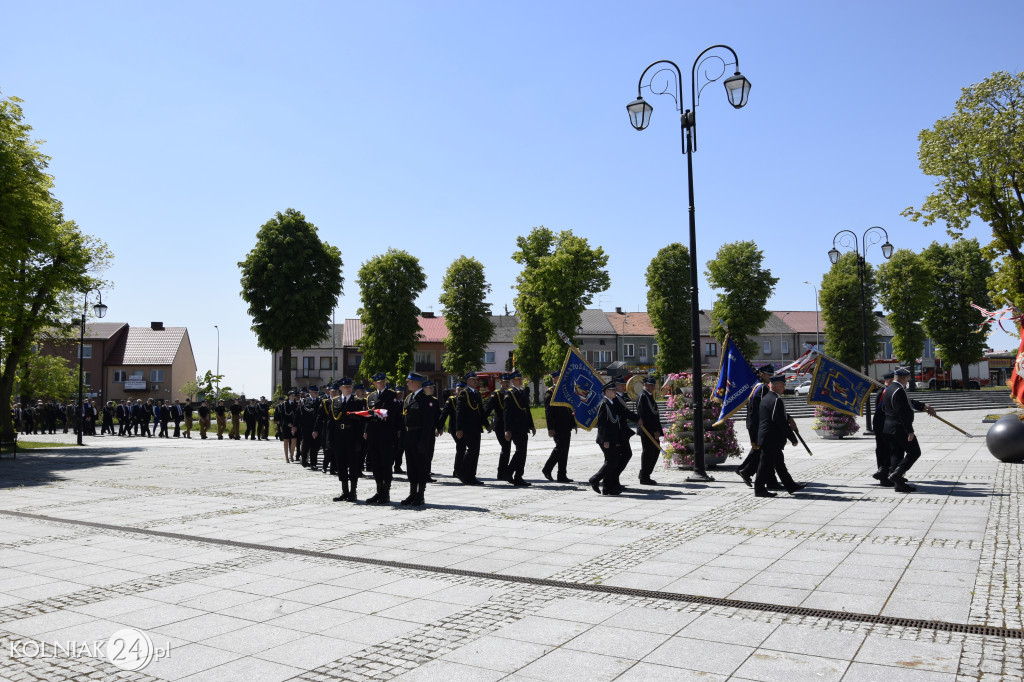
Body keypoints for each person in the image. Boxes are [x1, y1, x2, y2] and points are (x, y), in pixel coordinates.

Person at [883, 367, 935, 493]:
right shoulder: (899, 390)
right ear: (903, 378)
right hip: (899, 427)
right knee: (915, 452)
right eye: (907, 379)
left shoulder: (889, 388)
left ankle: (898, 483)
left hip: (889, 427)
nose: (908, 381)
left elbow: (907, 403)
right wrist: (909, 431)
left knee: (897, 453)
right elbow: (903, 412)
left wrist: (923, 406)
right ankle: (897, 475)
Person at [754, 375, 806, 498]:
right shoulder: (776, 400)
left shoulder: (767, 398)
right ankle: (759, 489)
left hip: (769, 438)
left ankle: (790, 485)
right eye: (783, 385)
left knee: (779, 464)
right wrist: (792, 438)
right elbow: (780, 421)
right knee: (765, 464)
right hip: (771, 438)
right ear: (776, 385)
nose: (784, 387)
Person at [314, 380, 364, 502]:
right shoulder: (334, 401)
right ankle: (344, 491)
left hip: (351, 436)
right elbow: (331, 422)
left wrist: (359, 440)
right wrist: (329, 440)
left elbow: (360, 423)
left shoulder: (357, 401)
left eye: (350, 386)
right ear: (340, 388)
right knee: (340, 464)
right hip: (338, 436)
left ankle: (353, 492)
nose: (348, 389)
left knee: (353, 464)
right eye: (345, 387)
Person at [736, 365, 781, 488]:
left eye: (772, 375)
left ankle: (771, 481)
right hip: (758, 424)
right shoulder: (762, 389)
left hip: (756, 424)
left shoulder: (758, 387)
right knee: (763, 451)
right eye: (768, 375)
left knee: (764, 452)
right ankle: (746, 471)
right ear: (761, 374)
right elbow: (762, 409)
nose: (771, 377)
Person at [363, 372, 401, 504]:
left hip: (386, 433)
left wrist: (378, 413)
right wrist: (366, 430)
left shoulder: (391, 395)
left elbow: (391, 413)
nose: (381, 383)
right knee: (376, 464)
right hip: (373, 433)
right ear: (374, 383)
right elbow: (368, 415)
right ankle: (379, 491)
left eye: (383, 381)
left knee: (386, 464)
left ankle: (386, 493)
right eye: (378, 382)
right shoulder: (371, 396)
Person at [401, 373, 436, 505]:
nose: (407, 384)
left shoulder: (425, 399)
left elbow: (427, 424)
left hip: (419, 437)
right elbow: (405, 420)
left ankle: (420, 495)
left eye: (409, 382)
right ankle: (412, 493)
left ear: (415, 383)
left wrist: (423, 441)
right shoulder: (409, 398)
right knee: (411, 467)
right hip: (409, 437)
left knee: (420, 467)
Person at [590, 380, 627, 495]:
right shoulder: (604, 405)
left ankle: (607, 488)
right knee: (613, 461)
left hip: (612, 439)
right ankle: (595, 479)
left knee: (613, 461)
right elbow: (602, 425)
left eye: (615, 390)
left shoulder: (611, 404)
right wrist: (605, 440)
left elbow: (614, 423)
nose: (615, 392)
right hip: (605, 439)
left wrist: (616, 440)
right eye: (613, 390)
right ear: (607, 391)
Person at [503, 370, 536, 486]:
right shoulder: (510, 393)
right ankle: (509, 471)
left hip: (523, 427)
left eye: (521, 379)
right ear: (513, 381)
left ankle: (518, 476)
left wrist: (532, 425)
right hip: (515, 427)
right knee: (520, 451)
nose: (520, 381)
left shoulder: (521, 392)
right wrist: (507, 429)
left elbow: (527, 410)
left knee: (523, 452)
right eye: (518, 379)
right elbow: (506, 413)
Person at [542, 371, 576, 482]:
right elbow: (548, 411)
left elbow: (569, 408)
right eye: (559, 378)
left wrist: (573, 423)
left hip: (566, 425)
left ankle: (561, 475)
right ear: (555, 379)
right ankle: (547, 469)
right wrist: (550, 428)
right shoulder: (550, 392)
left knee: (565, 450)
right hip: (557, 426)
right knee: (560, 448)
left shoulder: (564, 391)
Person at [456, 372, 489, 485]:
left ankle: (471, 475)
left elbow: (481, 411)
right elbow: (459, 412)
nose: (476, 381)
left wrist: (487, 424)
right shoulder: (464, 393)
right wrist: (459, 428)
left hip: (476, 427)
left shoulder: (476, 393)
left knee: (475, 452)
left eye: (476, 380)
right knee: (471, 451)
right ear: (468, 381)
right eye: (474, 380)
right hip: (467, 428)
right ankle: (463, 473)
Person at [634, 376, 663, 485]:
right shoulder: (643, 396)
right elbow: (644, 417)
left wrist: (658, 430)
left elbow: (655, 415)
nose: (652, 387)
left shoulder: (649, 396)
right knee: (648, 452)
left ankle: (645, 474)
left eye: (653, 385)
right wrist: (654, 431)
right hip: (647, 430)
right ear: (645, 385)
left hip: (653, 430)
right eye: (650, 385)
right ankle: (644, 476)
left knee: (654, 451)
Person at [870, 372, 896, 486]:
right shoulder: (887, 392)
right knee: (890, 449)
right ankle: (884, 473)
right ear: (889, 381)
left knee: (882, 449)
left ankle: (883, 474)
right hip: (885, 424)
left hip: (879, 424)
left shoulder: (881, 391)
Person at [486, 373, 512, 480]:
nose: (506, 384)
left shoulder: (511, 393)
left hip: (510, 425)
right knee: (505, 447)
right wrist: (485, 424)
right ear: (500, 382)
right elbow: (487, 409)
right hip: (500, 425)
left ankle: (504, 471)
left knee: (507, 448)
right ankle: (501, 472)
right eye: (504, 382)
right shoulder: (496, 394)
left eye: (507, 382)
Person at [436, 382, 464, 477]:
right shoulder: (452, 400)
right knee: (461, 447)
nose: (460, 392)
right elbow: (444, 414)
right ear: (455, 391)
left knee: (462, 448)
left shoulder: (467, 399)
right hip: (454, 428)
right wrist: (439, 426)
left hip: (465, 428)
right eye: (458, 390)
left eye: (462, 390)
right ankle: (457, 470)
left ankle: (461, 469)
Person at [298, 386, 323, 469]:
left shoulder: (320, 401)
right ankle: (304, 461)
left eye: (317, 392)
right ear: (310, 392)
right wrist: (295, 425)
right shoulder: (305, 401)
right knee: (306, 445)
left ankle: (313, 463)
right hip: (306, 427)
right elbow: (298, 414)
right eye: (314, 392)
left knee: (315, 446)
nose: (316, 394)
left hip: (317, 427)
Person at [278, 391, 300, 461]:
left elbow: (298, 415)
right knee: (286, 440)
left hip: (294, 425)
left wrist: (295, 424)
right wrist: (286, 423)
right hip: (286, 425)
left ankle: (291, 455)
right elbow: (282, 416)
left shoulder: (297, 404)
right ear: (289, 397)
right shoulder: (284, 404)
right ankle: (286, 457)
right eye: (291, 396)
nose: (293, 397)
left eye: (294, 396)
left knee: (294, 440)